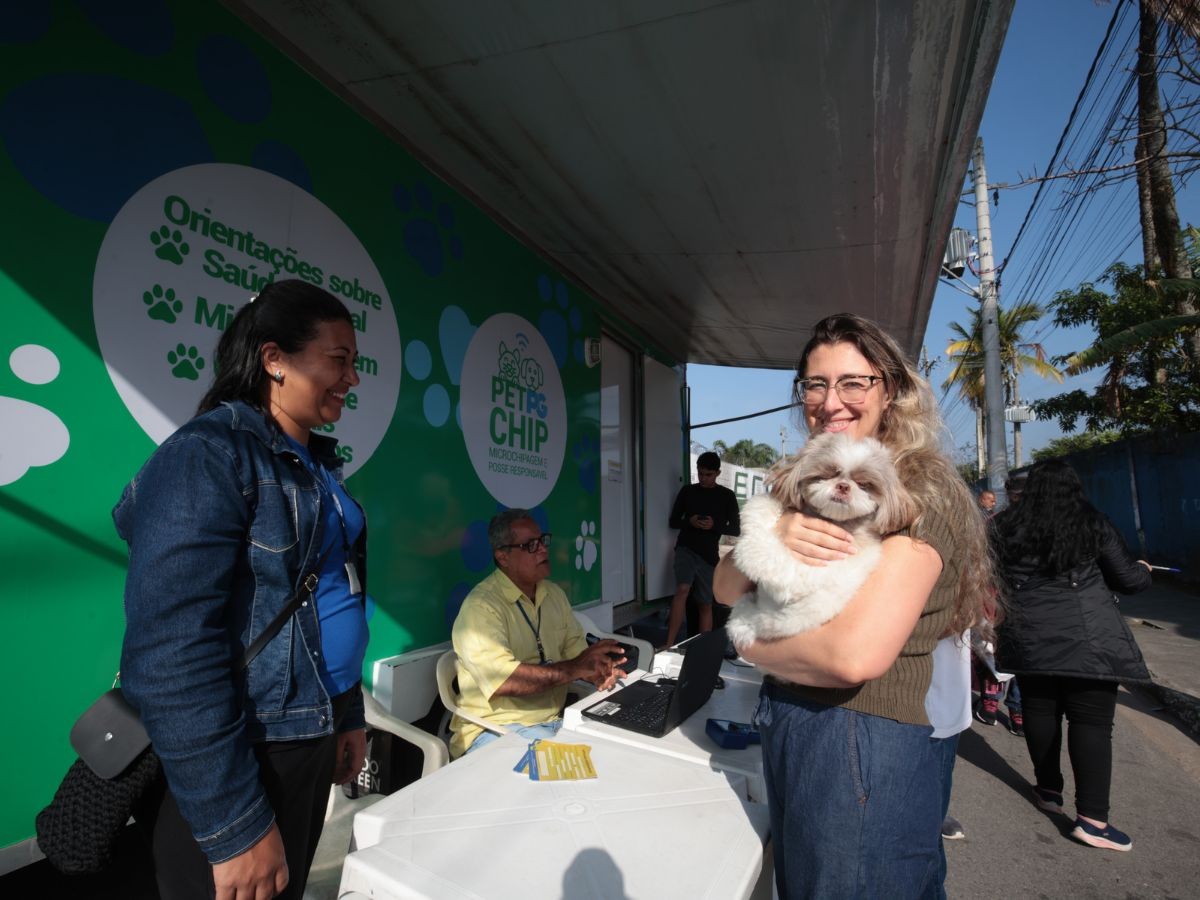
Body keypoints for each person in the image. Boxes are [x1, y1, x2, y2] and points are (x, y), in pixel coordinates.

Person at [714, 313, 994, 898]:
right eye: (815, 384)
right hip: (795, 716)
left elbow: (852, 658)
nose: (830, 401)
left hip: (859, 731)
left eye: (853, 382)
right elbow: (722, 586)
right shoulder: (796, 480)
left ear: (889, 389)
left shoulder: (920, 488)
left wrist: (744, 640)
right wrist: (772, 538)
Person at [117, 280, 370, 900]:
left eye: (354, 364)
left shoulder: (317, 464)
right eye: (338, 359)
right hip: (249, 749)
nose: (352, 379)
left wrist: (349, 713)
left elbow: (331, 596)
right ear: (274, 360)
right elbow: (170, 651)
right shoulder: (209, 455)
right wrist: (234, 826)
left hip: (314, 725)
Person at [991, 459, 1152, 852]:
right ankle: (1093, 821)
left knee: (1040, 711)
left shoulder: (1003, 526)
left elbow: (989, 574)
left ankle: (1048, 789)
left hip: (1029, 635)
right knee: (1092, 723)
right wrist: (1146, 570)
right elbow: (1128, 580)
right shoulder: (1092, 523)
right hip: (1090, 640)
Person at [449, 510, 626, 757]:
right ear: (503, 556)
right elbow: (505, 680)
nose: (543, 549)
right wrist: (575, 668)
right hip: (496, 729)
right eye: (530, 545)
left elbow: (576, 651)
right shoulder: (481, 607)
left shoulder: (553, 594)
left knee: (617, 751)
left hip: (552, 722)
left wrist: (598, 670)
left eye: (542, 541)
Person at [664, 451, 741, 648]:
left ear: (717, 473)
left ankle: (704, 649)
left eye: (708, 474)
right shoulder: (687, 491)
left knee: (705, 603)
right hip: (685, 548)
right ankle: (669, 643)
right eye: (700, 473)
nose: (703, 478)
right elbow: (673, 521)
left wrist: (714, 525)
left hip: (709, 556)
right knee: (682, 590)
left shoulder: (727, 496)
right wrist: (689, 521)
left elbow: (735, 529)